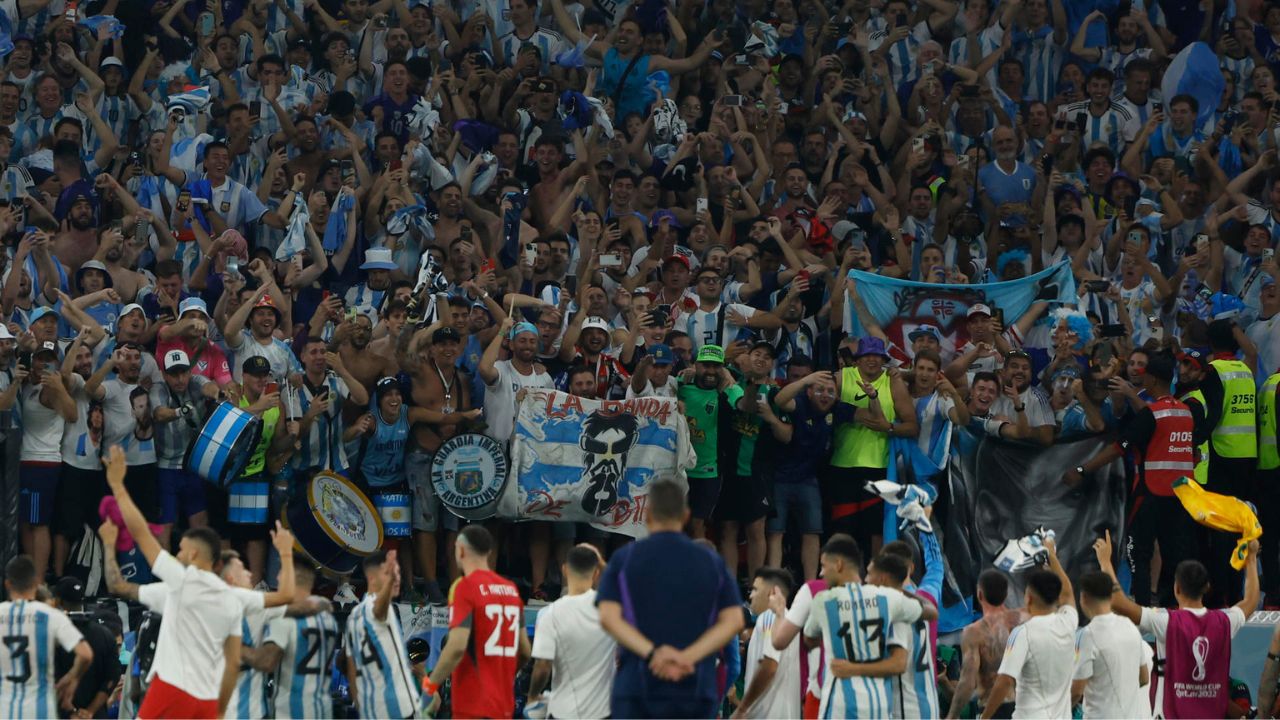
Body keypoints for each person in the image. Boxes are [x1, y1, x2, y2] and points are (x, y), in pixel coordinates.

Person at [100, 444, 244, 719]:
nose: (176, 555)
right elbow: (233, 661)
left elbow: (142, 534)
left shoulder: (183, 580)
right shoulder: (231, 599)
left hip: (174, 688)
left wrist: (118, 487)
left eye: (180, 550)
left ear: (192, 553)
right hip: (211, 698)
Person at [597, 479, 745, 718]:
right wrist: (687, 657)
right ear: (686, 516)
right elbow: (734, 620)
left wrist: (653, 654)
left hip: (638, 688)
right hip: (694, 688)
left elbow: (608, 618)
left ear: (647, 514)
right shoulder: (712, 563)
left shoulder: (624, 559)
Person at [1065, 350, 1196, 605]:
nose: (1140, 379)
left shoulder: (1152, 414)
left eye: (1144, 375)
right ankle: (1177, 610)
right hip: (1181, 497)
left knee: (1140, 555)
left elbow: (1119, 447)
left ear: (1153, 380)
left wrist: (1082, 470)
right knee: (1175, 554)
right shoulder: (1184, 411)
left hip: (1151, 494)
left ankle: (1144, 612)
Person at [1095, 531, 1260, 719]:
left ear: (1177, 588)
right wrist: (1252, 558)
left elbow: (1117, 601)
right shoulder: (1224, 622)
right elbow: (1251, 600)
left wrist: (1105, 562)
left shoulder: (1166, 622)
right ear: (1207, 587)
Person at [802, 534, 931, 719]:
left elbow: (809, 638)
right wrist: (899, 592)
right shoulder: (888, 600)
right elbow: (930, 612)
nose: (821, 573)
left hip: (840, 706)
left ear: (838, 564)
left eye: (823, 566)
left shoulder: (824, 600)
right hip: (878, 706)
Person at [421, 525, 529, 718]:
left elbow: (456, 647)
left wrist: (431, 685)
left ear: (460, 550)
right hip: (503, 706)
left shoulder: (465, 587)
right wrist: (504, 676)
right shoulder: (511, 590)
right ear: (489, 552)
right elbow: (525, 651)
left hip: (472, 705)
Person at [982, 537, 1077, 719]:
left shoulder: (1024, 633)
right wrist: (1051, 553)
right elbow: (1067, 593)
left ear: (1029, 598)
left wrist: (984, 717)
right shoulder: (1069, 622)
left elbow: (1005, 681)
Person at [527, 544, 616, 719]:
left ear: (565, 570)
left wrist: (532, 695)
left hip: (563, 711)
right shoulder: (609, 609)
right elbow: (626, 587)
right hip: (602, 712)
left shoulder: (550, 614)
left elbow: (543, 666)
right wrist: (602, 562)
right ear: (596, 573)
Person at [0, 556, 93, 720]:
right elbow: (85, 654)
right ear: (36, 584)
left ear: (7, 584)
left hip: (5, 710)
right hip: (41, 710)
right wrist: (72, 678)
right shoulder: (50, 615)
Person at [253, 562, 341, 720]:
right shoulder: (329, 619)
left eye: (281, 574)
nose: (277, 578)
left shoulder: (285, 619)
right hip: (322, 709)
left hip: (289, 711)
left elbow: (267, 662)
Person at [343, 549, 421, 718]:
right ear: (371, 578)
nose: (396, 578)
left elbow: (351, 669)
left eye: (398, 573)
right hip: (396, 710)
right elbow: (378, 610)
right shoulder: (375, 607)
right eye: (389, 573)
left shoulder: (353, 617)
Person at [946, 570, 1026, 719]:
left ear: (980, 594)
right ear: (1006, 594)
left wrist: (951, 717)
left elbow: (967, 682)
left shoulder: (974, 632)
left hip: (992, 710)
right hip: (1024, 708)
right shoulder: (1022, 619)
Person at [1071, 571, 1150, 719]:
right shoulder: (1130, 627)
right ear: (1111, 597)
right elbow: (1144, 678)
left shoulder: (1087, 635)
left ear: (1083, 597)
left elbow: (1076, 692)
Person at [734, 567, 801, 720]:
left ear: (772, 592)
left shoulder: (770, 617)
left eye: (755, 590)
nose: (750, 596)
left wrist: (742, 707)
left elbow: (770, 665)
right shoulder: (786, 619)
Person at [49, 577, 121, 720]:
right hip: (96, 716)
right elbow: (112, 677)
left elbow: (52, 680)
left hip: (61, 715)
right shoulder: (105, 635)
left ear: (57, 601)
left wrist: (71, 713)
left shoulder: (54, 636)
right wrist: (89, 711)